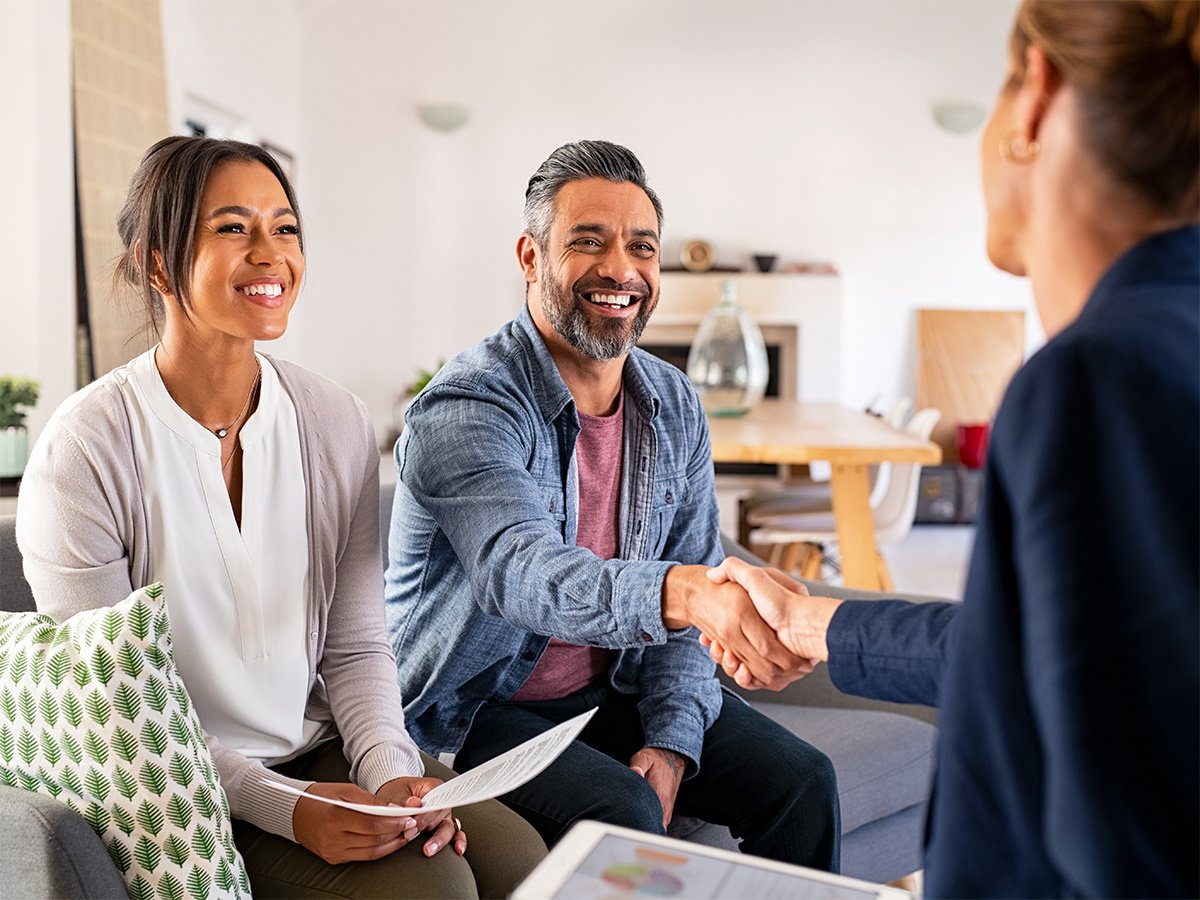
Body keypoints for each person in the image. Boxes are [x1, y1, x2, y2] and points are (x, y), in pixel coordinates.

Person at [701, 1, 1199, 897]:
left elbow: (1130, 833)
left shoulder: (1098, 380)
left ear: (1036, 95)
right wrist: (819, 621)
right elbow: (1062, 653)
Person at [16, 135, 546, 899]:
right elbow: (117, 709)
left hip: (316, 747)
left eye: (286, 227)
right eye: (233, 228)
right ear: (159, 264)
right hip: (179, 788)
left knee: (521, 861)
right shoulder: (86, 449)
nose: (271, 254)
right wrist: (285, 810)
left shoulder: (332, 420)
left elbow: (358, 645)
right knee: (432, 891)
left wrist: (394, 773)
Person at [385, 139, 839, 870]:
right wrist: (684, 591)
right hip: (475, 711)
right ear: (530, 258)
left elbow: (689, 601)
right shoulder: (467, 408)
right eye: (587, 242)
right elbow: (521, 574)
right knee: (619, 812)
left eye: (642, 248)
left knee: (803, 783)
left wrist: (670, 741)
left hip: (609, 688)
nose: (621, 270)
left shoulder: (671, 402)